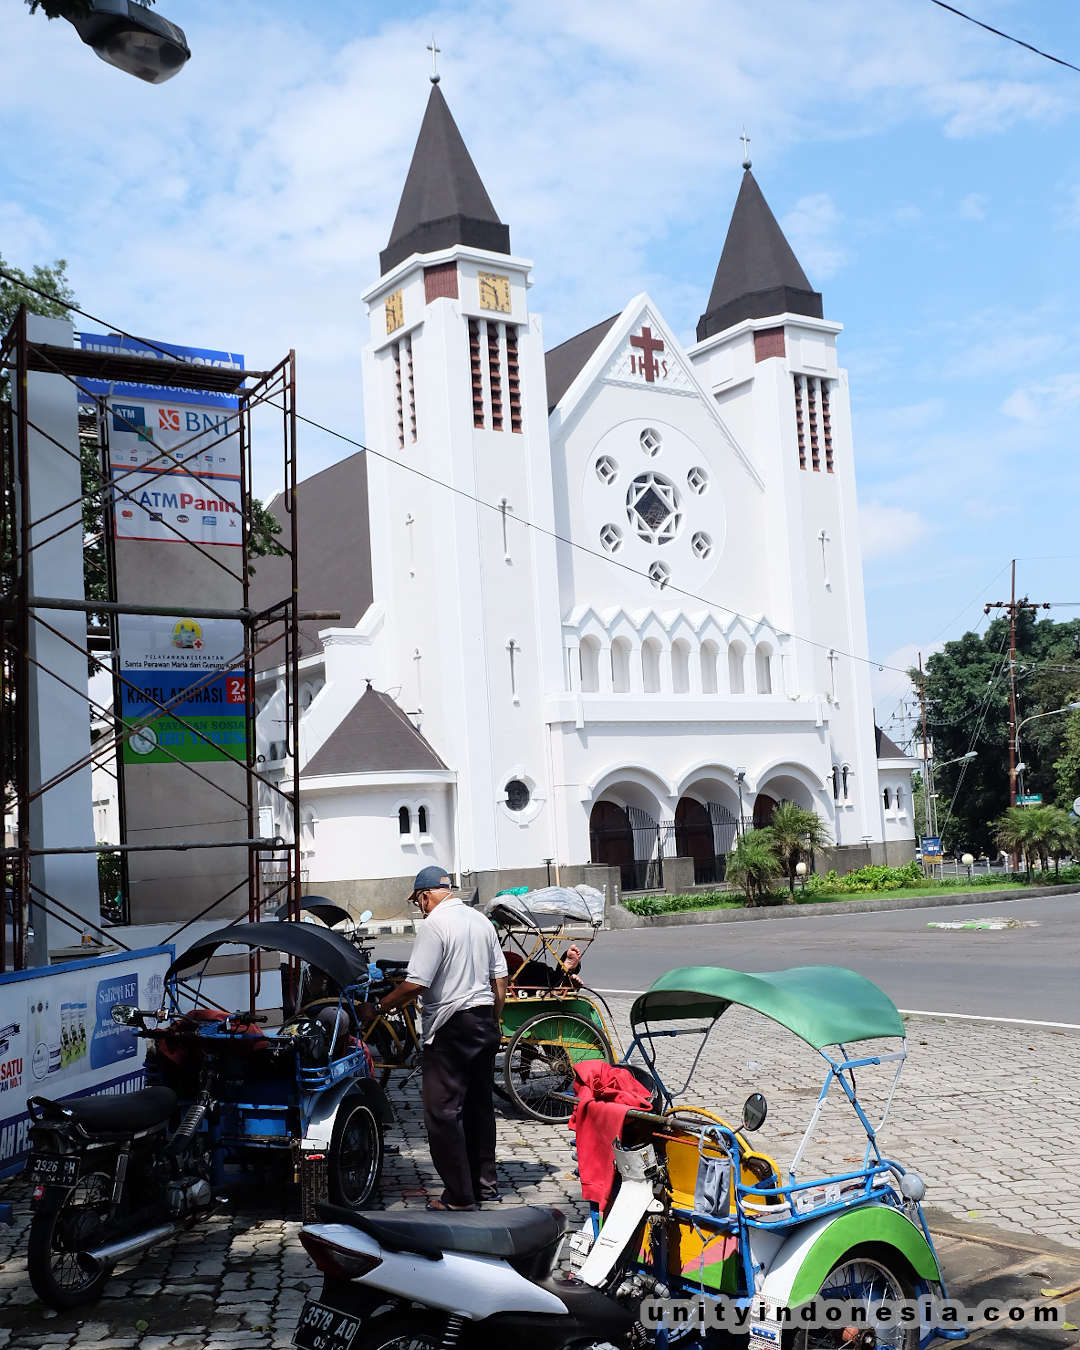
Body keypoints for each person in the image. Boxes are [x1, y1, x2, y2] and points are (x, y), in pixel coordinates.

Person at [362, 865, 507, 1211]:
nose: (420, 908)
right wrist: (492, 1020)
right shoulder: (480, 921)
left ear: (426, 895)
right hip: (484, 1023)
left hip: (450, 1029)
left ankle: (459, 1197)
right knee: (479, 1109)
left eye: (419, 902)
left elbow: (416, 984)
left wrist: (379, 1007)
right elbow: (500, 981)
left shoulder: (435, 925)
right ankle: (484, 1186)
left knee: (442, 1113)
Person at [504, 941, 584, 991]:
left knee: (538, 970)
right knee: (540, 972)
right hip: (516, 976)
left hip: (517, 973)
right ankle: (565, 977)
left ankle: (565, 975)